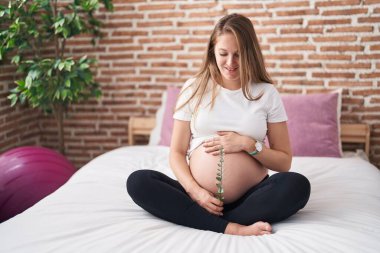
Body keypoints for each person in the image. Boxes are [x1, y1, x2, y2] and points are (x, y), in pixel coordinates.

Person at [127, 13, 310, 236]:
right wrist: (196, 192)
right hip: (197, 197)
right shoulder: (194, 87)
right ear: (212, 51)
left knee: (297, 186)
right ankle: (232, 226)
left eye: (238, 55)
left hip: (251, 197)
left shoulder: (266, 93)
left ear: (250, 54)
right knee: (139, 182)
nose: (230, 63)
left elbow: (284, 161)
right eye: (223, 54)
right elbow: (176, 152)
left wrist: (247, 144)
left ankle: (206, 220)